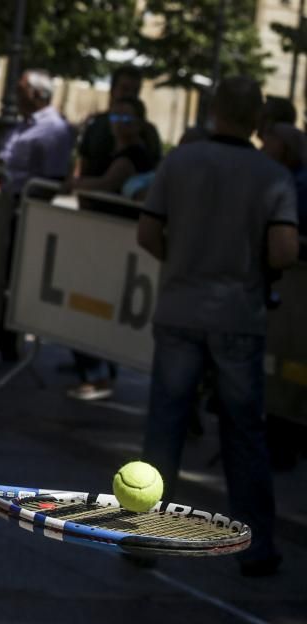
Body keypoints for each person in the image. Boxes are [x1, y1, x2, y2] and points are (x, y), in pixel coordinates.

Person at [137, 76, 300, 577]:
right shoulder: (271, 175)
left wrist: (182, 261)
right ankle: (255, 544)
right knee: (243, 433)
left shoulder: (179, 161)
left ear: (212, 112)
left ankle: (142, 536)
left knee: (165, 427)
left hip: (181, 307)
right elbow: (283, 251)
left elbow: (147, 231)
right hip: (237, 314)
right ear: (257, 120)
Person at [63, 97, 155, 401]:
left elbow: (107, 184)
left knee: (87, 305)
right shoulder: (114, 151)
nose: (119, 124)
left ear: (140, 125)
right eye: (116, 118)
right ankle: (99, 371)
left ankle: (97, 374)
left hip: (115, 242)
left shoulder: (132, 156)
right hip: (105, 239)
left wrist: (76, 185)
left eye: (127, 119)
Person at [0, 70, 75, 196]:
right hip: (0, 196)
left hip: (21, 205)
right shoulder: (23, 124)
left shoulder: (55, 129)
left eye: (20, 90)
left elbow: (53, 181)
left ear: (39, 94)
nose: (15, 95)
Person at [76, 65, 161, 187]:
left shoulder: (148, 130)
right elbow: (84, 163)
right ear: (113, 90)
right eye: (125, 89)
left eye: (135, 91)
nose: (130, 95)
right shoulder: (96, 123)